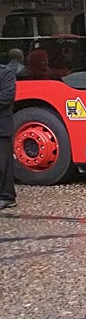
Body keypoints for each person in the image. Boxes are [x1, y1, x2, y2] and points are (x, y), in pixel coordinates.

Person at [0, 59, 15, 212]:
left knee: (3, 164)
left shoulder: (6, 73)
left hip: (2, 127)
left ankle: (7, 197)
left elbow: (7, 96)